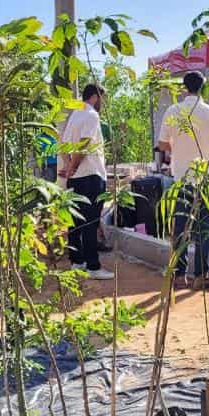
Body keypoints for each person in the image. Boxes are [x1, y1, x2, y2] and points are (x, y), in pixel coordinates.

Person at [158, 71, 209, 286]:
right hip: (206, 178)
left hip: (181, 177)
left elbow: (161, 144)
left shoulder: (173, 110)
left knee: (180, 227)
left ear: (184, 87)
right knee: (203, 229)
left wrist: (176, 150)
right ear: (202, 87)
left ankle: (179, 275)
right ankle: (201, 275)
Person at [58, 84, 113, 279]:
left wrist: (69, 166)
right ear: (96, 97)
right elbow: (84, 143)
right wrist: (73, 166)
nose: (103, 103)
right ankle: (93, 266)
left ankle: (77, 261)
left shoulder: (75, 114)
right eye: (102, 99)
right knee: (91, 222)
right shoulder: (91, 115)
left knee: (75, 222)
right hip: (91, 175)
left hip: (77, 178)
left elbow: (63, 145)